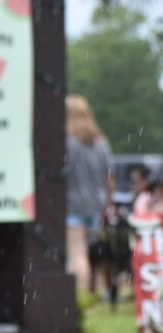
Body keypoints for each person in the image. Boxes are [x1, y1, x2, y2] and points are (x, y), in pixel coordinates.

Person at [65, 95, 113, 293]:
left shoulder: (68, 142)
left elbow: (62, 173)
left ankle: (78, 297)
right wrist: (108, 204)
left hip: (72, 204)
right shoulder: (101, 142)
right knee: (93, 253)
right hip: (97, 205)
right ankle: (95, 292)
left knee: (77, 253)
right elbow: (109, 178)